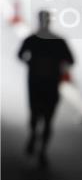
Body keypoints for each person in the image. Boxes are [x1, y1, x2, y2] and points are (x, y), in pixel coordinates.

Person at [17, 10, 74, 166]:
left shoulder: (32, 39)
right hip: (50, 84)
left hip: (35, 83)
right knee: (48, 119)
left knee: (35, 113)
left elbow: (20, 55)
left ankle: (34, 137)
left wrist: (31, 63)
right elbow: (70, 60)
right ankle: (41, 150)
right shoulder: (58, 41)